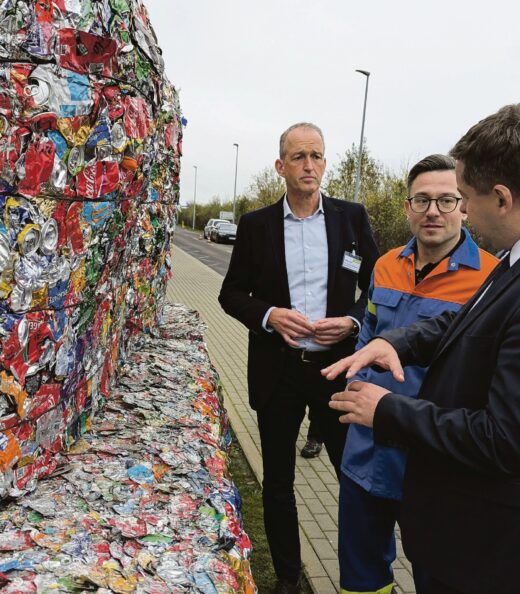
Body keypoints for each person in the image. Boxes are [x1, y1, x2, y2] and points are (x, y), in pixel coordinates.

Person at [325, 103, 520, 594]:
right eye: (423, 200)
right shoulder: (396, 265)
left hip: (445, 476)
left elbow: (504, 438)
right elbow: (460, 325)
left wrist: (389, 408)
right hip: (373, 455)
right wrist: (390, 342)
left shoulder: (490, 266)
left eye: (460, 199)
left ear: (499, 197)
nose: (452, 212)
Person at [219, 122, 378, 593]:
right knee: (280, 486)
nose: (309, 165)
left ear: (325, 163)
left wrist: (351, 321)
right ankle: (288, 578)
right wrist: (269, 315)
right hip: (278, 373)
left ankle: (360, 571)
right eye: (299, 156)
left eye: (316, 156)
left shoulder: (352, 218)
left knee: (352, 478)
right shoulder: (256, 225)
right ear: (280, 166)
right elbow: (230, 294)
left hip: (336, 372)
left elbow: (377, 286)